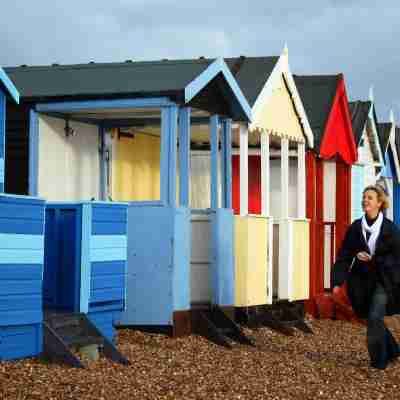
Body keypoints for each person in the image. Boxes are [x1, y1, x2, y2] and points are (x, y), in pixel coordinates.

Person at [332, 184, 400, 370]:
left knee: (375, 316)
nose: (365, 200)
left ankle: (379, 362)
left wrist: (374, 259)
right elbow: (345, 254)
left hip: (383, 281)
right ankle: (393, 349)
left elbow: (397, 258)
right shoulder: (355, 227)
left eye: (369, 197)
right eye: (364, 197)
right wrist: (337, 281)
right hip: (361, 282)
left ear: (379, 203)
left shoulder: (390, 229)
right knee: (371, 317)